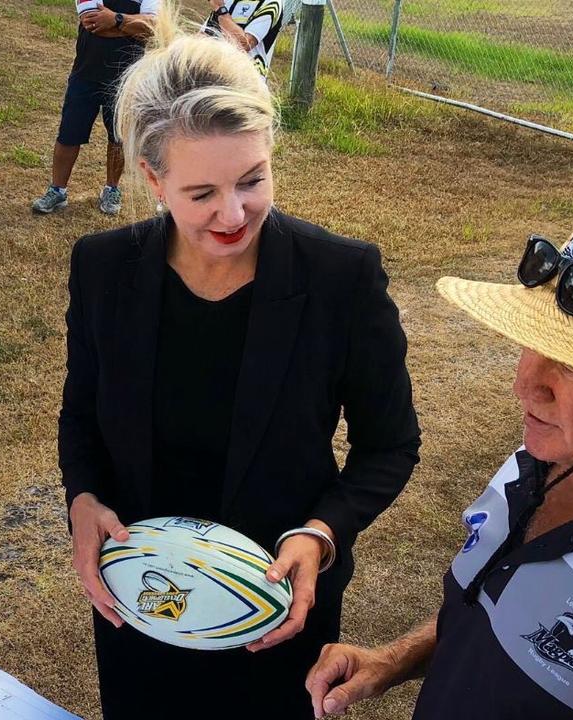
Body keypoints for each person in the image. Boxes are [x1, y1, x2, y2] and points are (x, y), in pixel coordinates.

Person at [58, 18, 420, 718]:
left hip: (277, 615)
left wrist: (322, 532)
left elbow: (390, 444)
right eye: (202, 195)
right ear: (152, 178)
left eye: (254, 180)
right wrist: (83, 498)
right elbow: (83, 414)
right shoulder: (102, 270)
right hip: (142, 602)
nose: (234, 213)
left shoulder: (342, 277)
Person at [307, 196, 573, 719]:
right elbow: (500, 607)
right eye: (531, 343)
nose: (524, 384)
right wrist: (394, 659)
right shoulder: (534, 464)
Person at [29, 0, 158, 216]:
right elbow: (91, 23)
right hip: (86, 73)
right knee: (69, 133)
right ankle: (57, 190)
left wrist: (115, 19)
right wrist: (131, 26)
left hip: (126, 79)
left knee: (118, 138)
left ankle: (112, 189)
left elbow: (153, 28)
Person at [202, 0, 284, 76]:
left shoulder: (271, 3)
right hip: (215, 74)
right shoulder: (226, 2)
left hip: (246, 81)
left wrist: (220, 9)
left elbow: (244, 44)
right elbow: (203, 37)